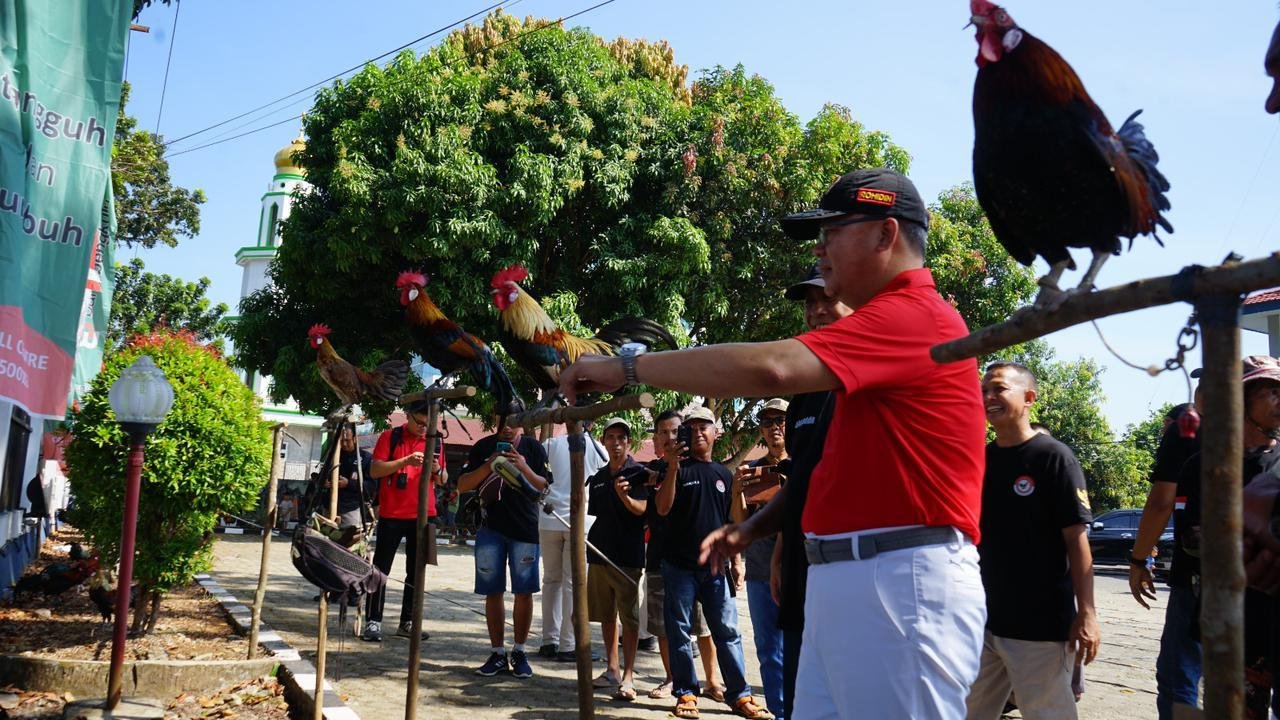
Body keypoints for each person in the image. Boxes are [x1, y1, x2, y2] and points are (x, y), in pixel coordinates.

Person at [560, 167, 987, 719]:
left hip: (900, 579)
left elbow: (772, 369)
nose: (820, 248)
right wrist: (754, 529)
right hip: (852, 576)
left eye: (833, 231)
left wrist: (627, 366)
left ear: (886, 233)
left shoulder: (914, 315)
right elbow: (825, 476)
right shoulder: (876, 336)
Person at [964, 362, 1098, 720]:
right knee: (966, 713)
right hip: (984, 622)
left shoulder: (1054, 457)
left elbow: (1077, 541)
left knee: (1047, 715)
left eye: (998, 388)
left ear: (1029, 398)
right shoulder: (983, 459)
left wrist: (1087, 613)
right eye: (984, 390)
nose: (988, 397)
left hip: (1040, 628)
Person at [770, 264, 852, 720]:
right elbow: (799, 480)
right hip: (801, 564)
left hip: (851, 568)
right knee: (801, 690)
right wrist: (779, 547)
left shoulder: (865, 382)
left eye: (827, 299)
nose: (816, 311)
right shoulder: (803, 394)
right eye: (809, 303)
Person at [654, 406, 771, 720]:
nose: (698, 432)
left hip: (717, 569)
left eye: (704, 426)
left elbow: (734, 521)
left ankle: (740, 696)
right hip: (678, 566)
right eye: (691, 428)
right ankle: (686, 693)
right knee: (680, 633)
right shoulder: (675, 468)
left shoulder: (723, 474)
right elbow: (662, 509)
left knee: (728, 632)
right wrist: (673, 468)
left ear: (716, 432)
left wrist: (737, 562)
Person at [1179, 357, 1280, 718]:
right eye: (1271, 391)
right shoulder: (1206, 466)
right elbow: (1191, 538)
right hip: (1236, 621)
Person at [457, 399, 550, 679]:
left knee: (524, 591)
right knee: (492, 591)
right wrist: (489, 465)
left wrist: (523, 467)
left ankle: (519, 651)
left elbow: (544, 487)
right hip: (490, 528)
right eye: (502, 419)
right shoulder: (482, 447)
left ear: (523, 421)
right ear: (494, 418)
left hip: (525, 529)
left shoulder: (533, 448)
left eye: (513, 420)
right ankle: (497, 652)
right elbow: (462, 484)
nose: (507, 426)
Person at [644, 409, 725, 701]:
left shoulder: (700, 468)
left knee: (705, 627)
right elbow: (650, 510)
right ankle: (673, 679)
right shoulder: (652, 470)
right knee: (666, 627)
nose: (670, 438)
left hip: (699, 562)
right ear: (655, 438)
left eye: (675, 431)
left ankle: (712, 680)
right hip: (660, 558)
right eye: (663, 432)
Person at [1128, 399, 1202, 720]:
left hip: (1199, 579)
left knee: (1178, 676)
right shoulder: (1265, 436)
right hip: (1261, 576)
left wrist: (1138, 560)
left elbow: (1161, 502)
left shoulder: (1187, 427)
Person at [362, 402, 446, 642]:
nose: (423, 428)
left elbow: (443, 479)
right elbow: (375, 471)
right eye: (419, 422)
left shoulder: (436, 440)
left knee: (416, 571)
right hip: (392, 513)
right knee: (380, 569)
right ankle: (373, 621)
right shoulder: (391, 437)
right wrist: (405, 461)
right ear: (408, 416)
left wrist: (438, 469)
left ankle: (408, 622)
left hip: (424, 515)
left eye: (428, 423)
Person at [585, 417, 648, 701]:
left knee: (629, 617)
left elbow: (643, 510)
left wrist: (625, 499)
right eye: (610, 437)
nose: (616, 443)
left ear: (629, 442)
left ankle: (629, 676)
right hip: (599, 553)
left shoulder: (639, 473)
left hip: (628, 558)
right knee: (605, 615)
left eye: (621, 437)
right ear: (603, 441)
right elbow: (595, 514)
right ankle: (612, 669)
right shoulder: (598, 477)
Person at [732, 399, 788, 720]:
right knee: (768, 649)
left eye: (780, 420)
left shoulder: (803, 465)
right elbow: (741, 523)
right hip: (758, 570)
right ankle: (779, 713)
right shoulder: (755, 471)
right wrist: (737, 490)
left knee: (799, 647)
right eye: (767, 422)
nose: (774, 427)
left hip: (797, 569)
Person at [540, 428, 607, 660]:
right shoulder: (597, 448)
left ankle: (549, 640)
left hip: (549, 518)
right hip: (578, 520)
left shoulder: (551, 443)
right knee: (573, 584)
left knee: (551, 580)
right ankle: (568, 644)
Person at [314, 425, 375, 530]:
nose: (344, 444)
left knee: (349, 537)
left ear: (355, 438)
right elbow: (320, 478)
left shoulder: (366, 458)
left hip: (351, 508)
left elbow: (372, 485)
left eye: (347, 440)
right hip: (328, 507)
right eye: (341, 441)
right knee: (325, 536)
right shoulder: (333, 456)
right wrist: (324, 482)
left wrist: (349, 484)